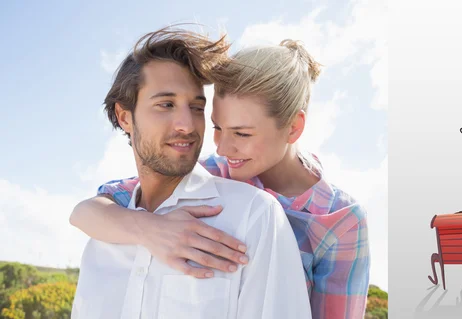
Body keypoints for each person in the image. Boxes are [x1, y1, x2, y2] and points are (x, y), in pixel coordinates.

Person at [70, 32, 370, 318]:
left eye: (241, 133)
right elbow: (93, 207)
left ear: (293, 128)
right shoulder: (217, 171)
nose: (223, 147)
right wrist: (149, 228)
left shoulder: (339, 219)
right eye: (217, 127)